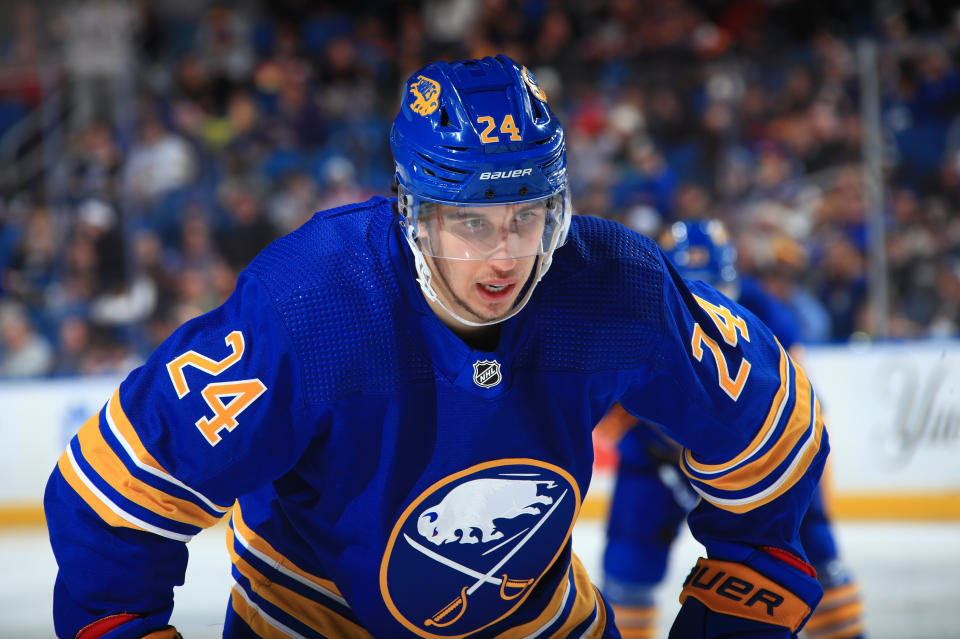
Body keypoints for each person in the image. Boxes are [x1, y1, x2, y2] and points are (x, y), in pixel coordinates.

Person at [45, 56, 829, 639]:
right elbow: (113, 497)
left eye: (526, 215)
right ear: (414, 213)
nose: (504, 256)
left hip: (532, 614)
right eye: (471, 221)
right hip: (312, 615)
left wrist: (742, 603)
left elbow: (771, 433)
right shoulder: (312, 306)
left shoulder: (615, 283)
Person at [598, 219, 864, 639]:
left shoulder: (767, 309)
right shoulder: (638, 306)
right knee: (627, 573)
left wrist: (814, 497)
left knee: (815, 553)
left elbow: (802, 404)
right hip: (656, 455)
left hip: (754, 454)